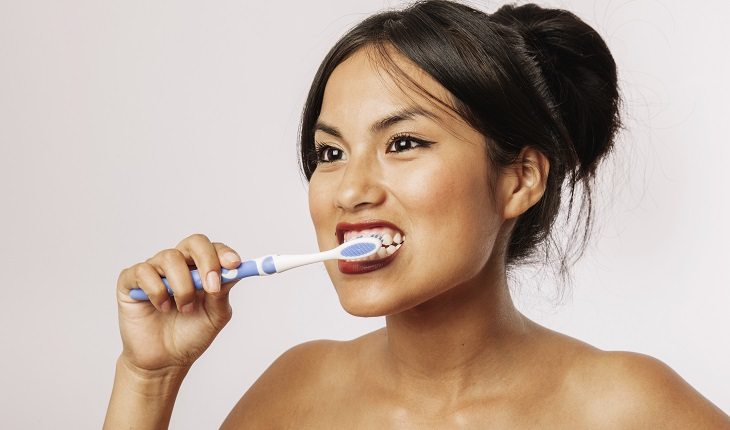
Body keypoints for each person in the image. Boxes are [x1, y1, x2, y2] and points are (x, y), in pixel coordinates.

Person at [104, 1, 730, 428]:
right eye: (330, 152)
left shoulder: (627, 409)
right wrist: (148, 376)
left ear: (519, 179)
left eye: (403, 143)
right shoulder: (296, 394)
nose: (349, 190)